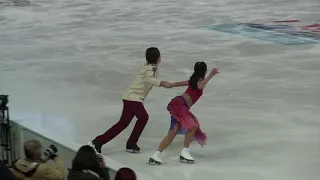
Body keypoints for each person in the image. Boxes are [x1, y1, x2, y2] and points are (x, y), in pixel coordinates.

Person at [89, 47, 186, 154]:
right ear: (157, 58)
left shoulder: (146, 65)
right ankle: (130, 143)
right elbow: (150, 79)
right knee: (143, 117)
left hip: (129, 96)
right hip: (133, 98)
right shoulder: (151, 68)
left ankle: (99, 141)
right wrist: (163, 83)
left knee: (123, 123)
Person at [149, 62, 219, 165]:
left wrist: (170, 84)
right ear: (203, 71)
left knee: (174, 131)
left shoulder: (193, 81)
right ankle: (185, 152)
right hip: (181, 106)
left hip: (179, 105)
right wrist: (211, 75)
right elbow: (201, 85)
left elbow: (177, 84)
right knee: (193, 126)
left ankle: (156, 154)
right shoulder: (198, 82)